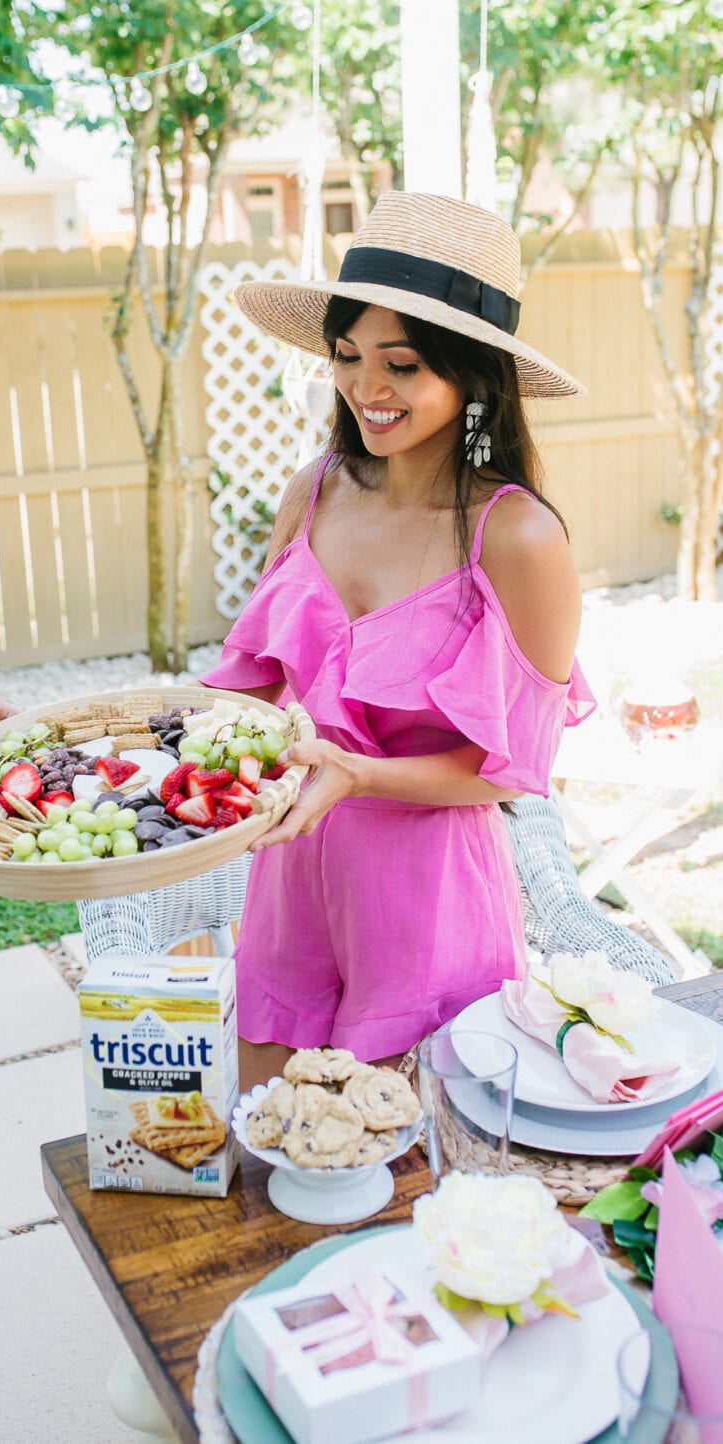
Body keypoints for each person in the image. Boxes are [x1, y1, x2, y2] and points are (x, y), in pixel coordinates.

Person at [200, 191, 596, 1091]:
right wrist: (96, 747)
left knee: (416, 1173)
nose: (366, 389)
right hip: (291, 873)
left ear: (472, 376)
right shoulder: (314, 491)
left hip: (428, 894)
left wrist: (360, 773)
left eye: (403, 365)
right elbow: (244, 692)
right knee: (270, 1142)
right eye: (347, 356)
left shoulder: (518, 537)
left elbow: (512, 771)